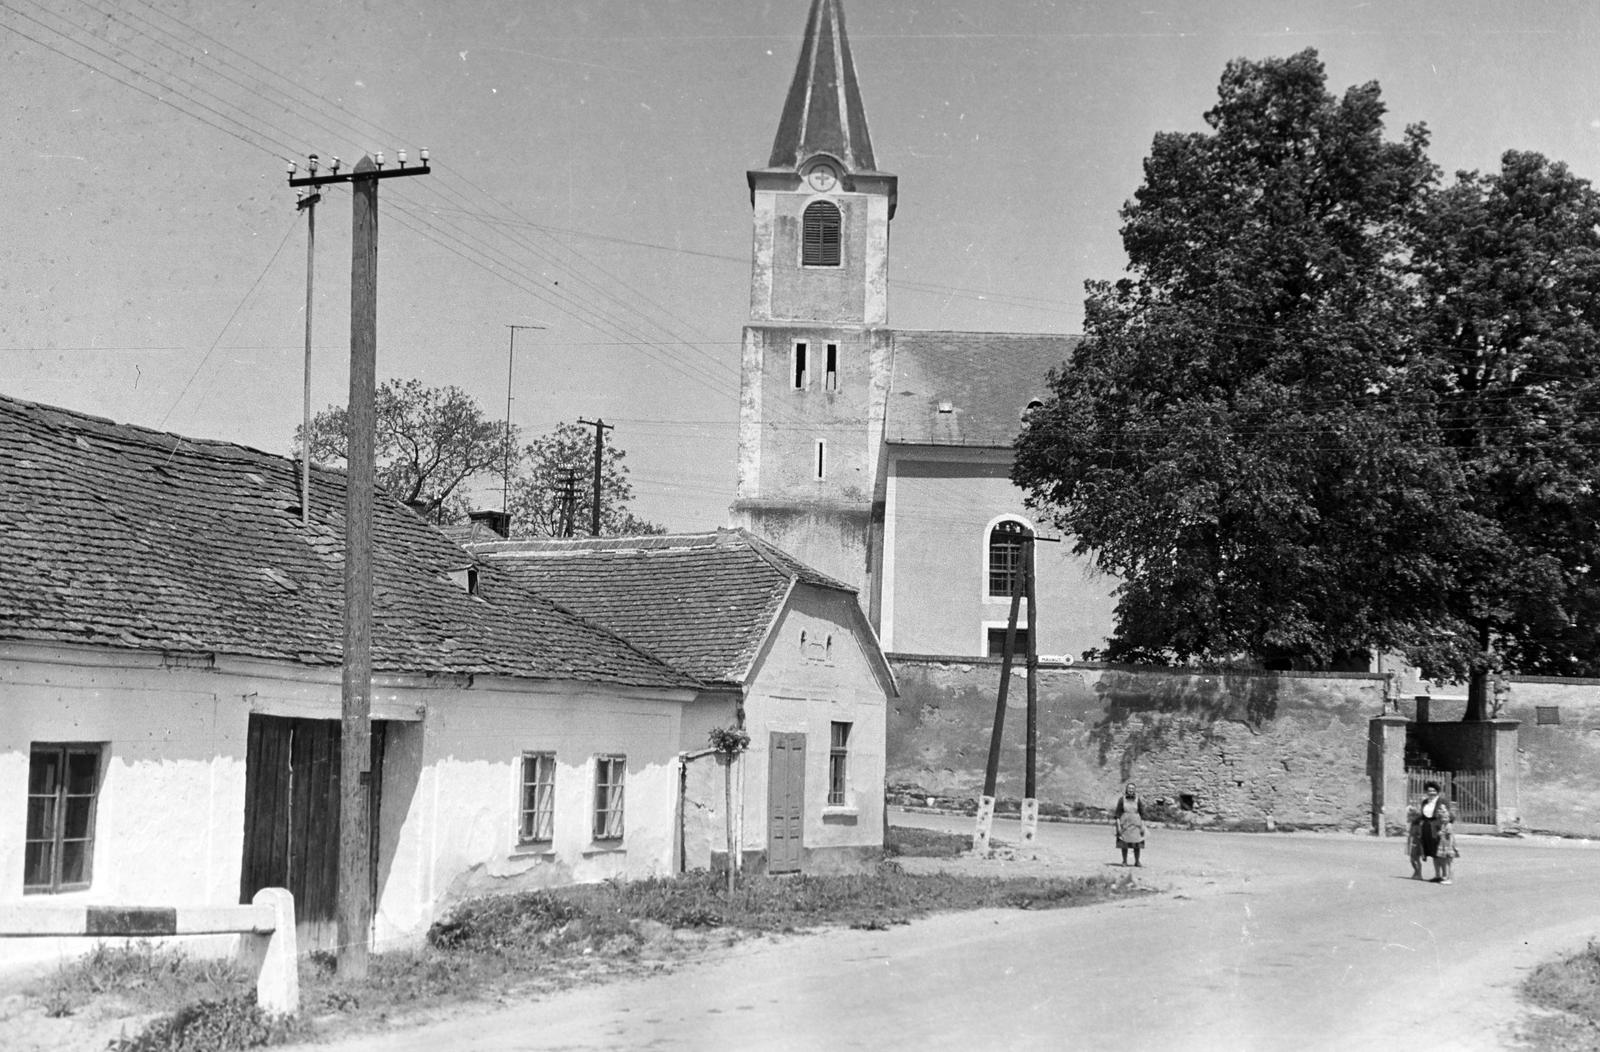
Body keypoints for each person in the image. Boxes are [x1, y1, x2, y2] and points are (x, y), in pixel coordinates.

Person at [1407, 780, 1457, 884]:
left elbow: (1448, 816)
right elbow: (1422, 815)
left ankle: (1444, 875)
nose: (1431, 793)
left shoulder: (1442, 801)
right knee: (1433, 852)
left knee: (1440, 853)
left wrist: (1446, 827)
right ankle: (1437, 875)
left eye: (1434, 791)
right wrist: (1414, 819)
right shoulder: (1425, 802)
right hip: (1426, 829)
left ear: (1437, 791)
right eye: (1429, 791)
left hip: (1438, 829)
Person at [1114, 783, 1147, 867]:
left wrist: (1143, 825)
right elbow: (1117, 814)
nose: (1131, 790)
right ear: (1126, 789)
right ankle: (1124, 861)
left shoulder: (1138, 800)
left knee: (1137, 843)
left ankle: (1137, 861)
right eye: (1129, 788)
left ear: (1134, 790)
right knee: (1124, 843)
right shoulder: (1122, 800)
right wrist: (1118, 826)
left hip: (1136, 823)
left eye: (1132, 788)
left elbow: (1142, 813)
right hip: (1124, 823)